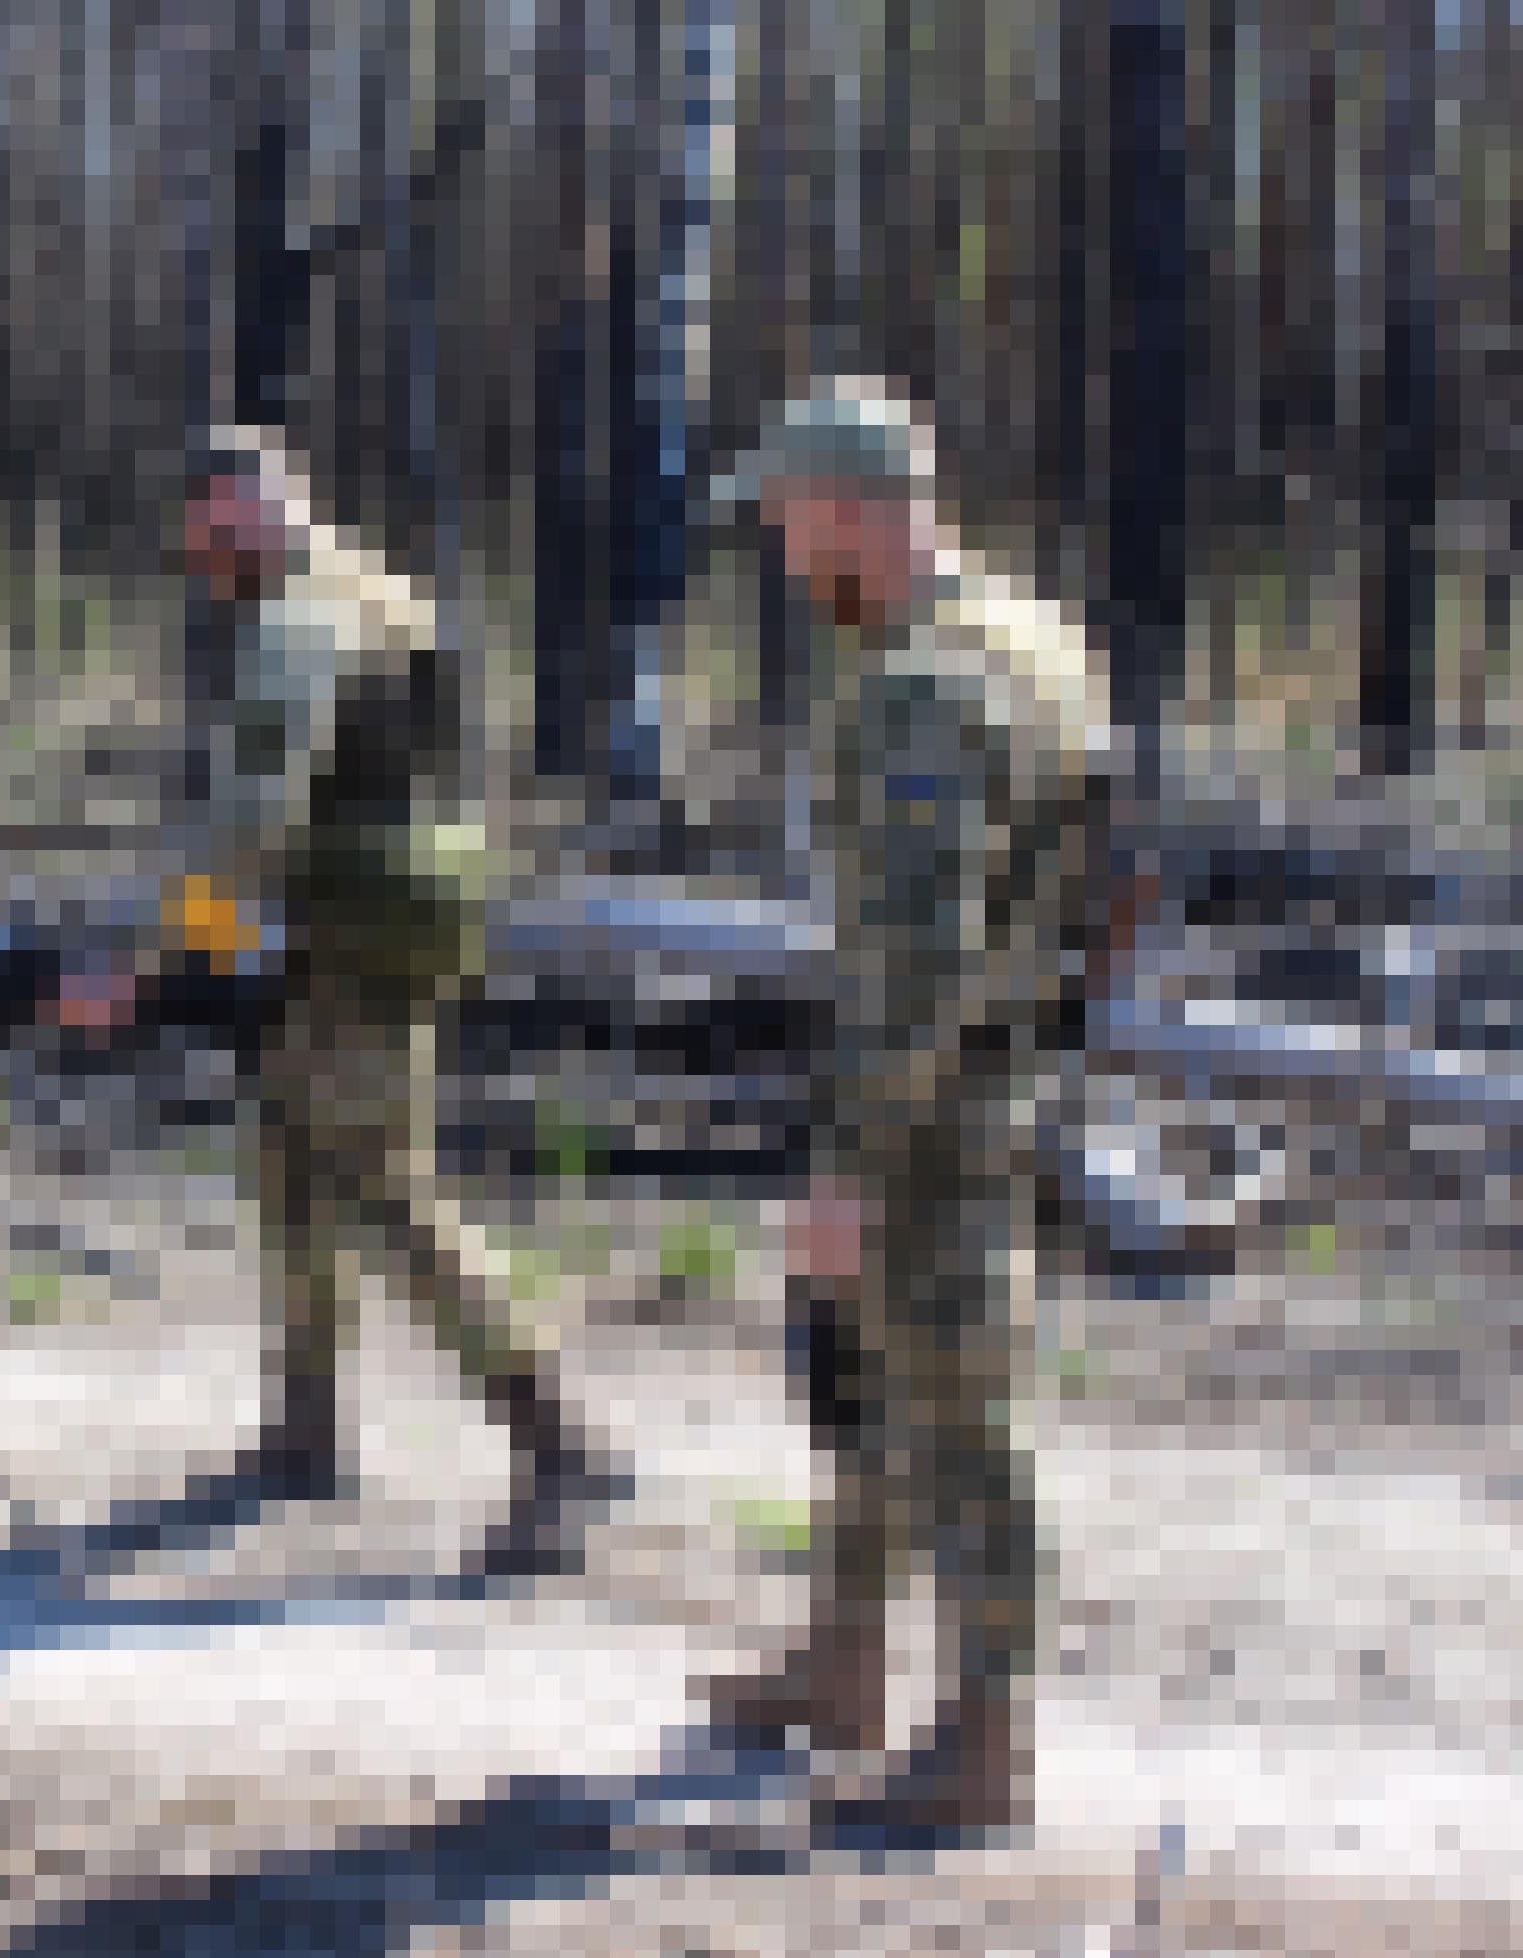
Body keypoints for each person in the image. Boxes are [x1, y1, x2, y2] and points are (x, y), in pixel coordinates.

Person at [698, 377, 1123, 1834]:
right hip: (987, 1054)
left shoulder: (920, 686)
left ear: (844, 509)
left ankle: (980, 1742)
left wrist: (850, 1163)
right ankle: (841, 1662)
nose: (773, 543)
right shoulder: (1026, 633)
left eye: (782, 515)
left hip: (931, 1087)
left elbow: (918, 956)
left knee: (946, 1409)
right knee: (871, 1382)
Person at [170, 425, 621, 1576]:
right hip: (369, 928)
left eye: (206, 537)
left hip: (361, 946)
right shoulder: (380, 593)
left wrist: (160, 955)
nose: (202, 565)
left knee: (383, 1190)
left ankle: (555, 1439)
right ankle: (306, 1431)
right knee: (287, 1159)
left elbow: (248, 822)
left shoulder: (297, 622)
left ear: (241, 512)